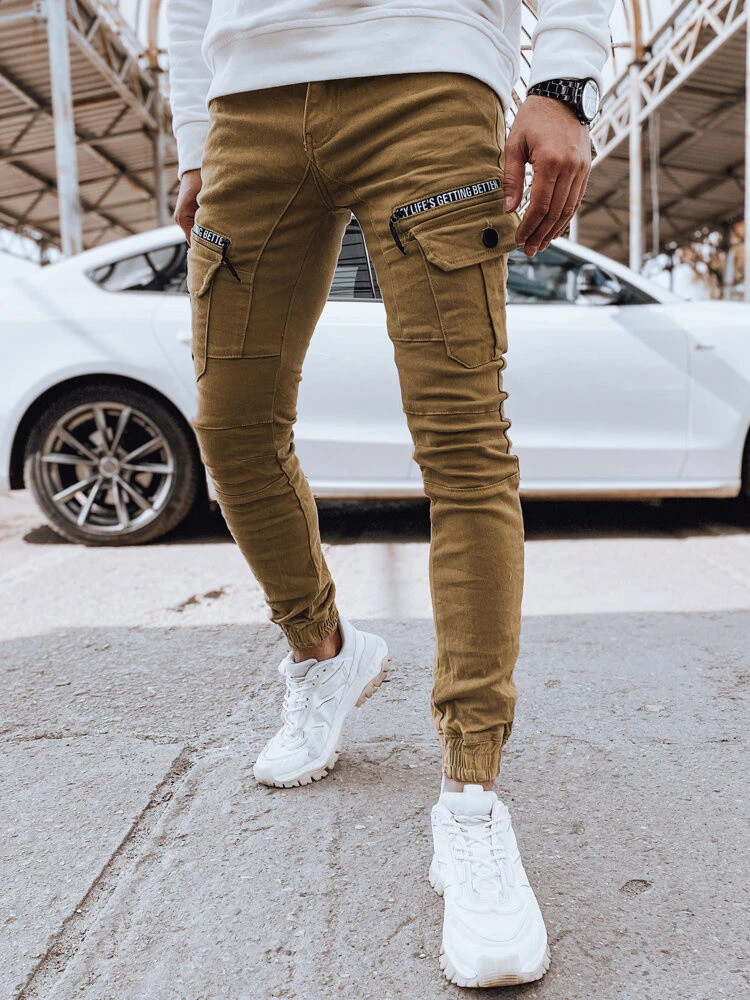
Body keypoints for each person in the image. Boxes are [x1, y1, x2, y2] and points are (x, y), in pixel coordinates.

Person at [165, 0, 614, 988]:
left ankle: (470, 803)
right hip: (247, 98)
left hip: (428, 67)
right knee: (232, 427)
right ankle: (324, 652)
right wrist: (196, 136)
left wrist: (564, 80)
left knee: (462, 445)